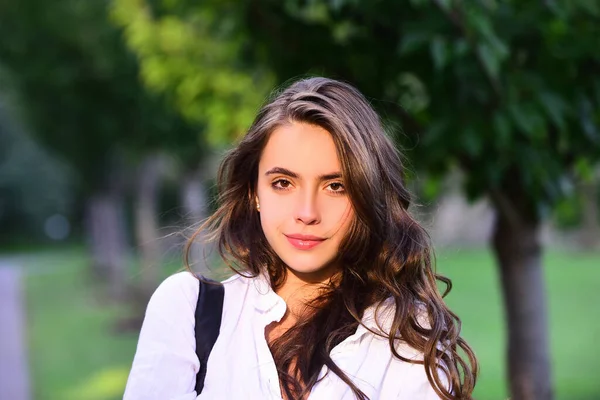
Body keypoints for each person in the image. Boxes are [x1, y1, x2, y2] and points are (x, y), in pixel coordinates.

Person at [123, 77, 478, 400]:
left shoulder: (404, 340)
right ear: (254, 192)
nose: (307, 212)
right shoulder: (189, 311)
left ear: (368, 197)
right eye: (283, 183)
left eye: (335, 186)